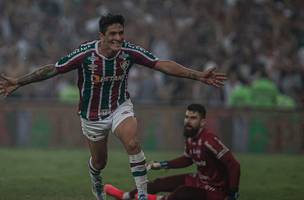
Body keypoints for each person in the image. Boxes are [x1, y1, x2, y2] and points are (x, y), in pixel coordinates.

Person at [0, 14, 227, 200]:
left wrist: (198, 75)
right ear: (102, 36)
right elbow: (52, 69)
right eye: (113, 34)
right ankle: (95, 176)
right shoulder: (86, 54)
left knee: (132, 142)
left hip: (120, 107)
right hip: (92, 116)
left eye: (121, 33)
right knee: (100, 162)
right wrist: (18, 81)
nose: (118, 38)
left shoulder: (129, 51)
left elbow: (162, 64)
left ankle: (141, 194)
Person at [105, 104, 240, 200]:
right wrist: (162, 164)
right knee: (158, 183)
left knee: (182, 193)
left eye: (193, 118)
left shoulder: (209, 140)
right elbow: (187, 160)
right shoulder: (190, 137)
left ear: (203, 122)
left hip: (216, 190)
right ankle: (126, 196)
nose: (188, 121)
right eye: (187, 117)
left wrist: (232, 194)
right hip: (200, 180)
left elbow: (234, 165)